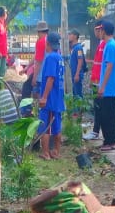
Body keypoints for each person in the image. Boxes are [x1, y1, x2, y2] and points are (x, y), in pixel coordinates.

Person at [36, 31, 66, 159]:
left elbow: (50, 78)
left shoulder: (50, 58)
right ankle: (56, 152)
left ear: (47, 44)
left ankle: (46, 152)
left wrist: (44, 97)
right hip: (58, 98)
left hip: (50, 99)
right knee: (57, 126)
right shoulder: (60, 58)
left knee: (45, 126)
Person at [94, 19, 115, 152]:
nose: (99, 32)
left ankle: (109, 141)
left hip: (109, 87)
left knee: (107, 115)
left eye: (100, 30)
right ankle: (110, 141)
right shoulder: (111, 45)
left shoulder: (110, 46)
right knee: (109, 114)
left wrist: (102, 86)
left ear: (104, 31)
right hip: (110, 87)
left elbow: (109, 67)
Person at [83, 21, 106, 141]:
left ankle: (96, 131)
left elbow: (102, 67)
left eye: (97, 30)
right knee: (97, 107)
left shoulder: (105, 46)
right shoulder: (101, 45)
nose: (96, 32)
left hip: (99, 83)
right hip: (97, 82)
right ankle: (96, 131)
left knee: (99, 108)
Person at [68, 28, 87, 98]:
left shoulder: (78, 48)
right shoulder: (73, 48)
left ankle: (80, 108)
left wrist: (77, 74)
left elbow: (80, 61)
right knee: (75, 93)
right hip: (74, 74)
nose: (69, 36)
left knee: (78, 94)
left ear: (75, 36)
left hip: (77, 74)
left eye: (70, 34)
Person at [32, 20, 49, 93]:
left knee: (38, 97)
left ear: (39, 31)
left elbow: (38, 61)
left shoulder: (41, 42)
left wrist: (34, 77)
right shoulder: (49, 41)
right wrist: (27, 67)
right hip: (49, 75)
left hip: (40, 76)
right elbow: (36, 57)